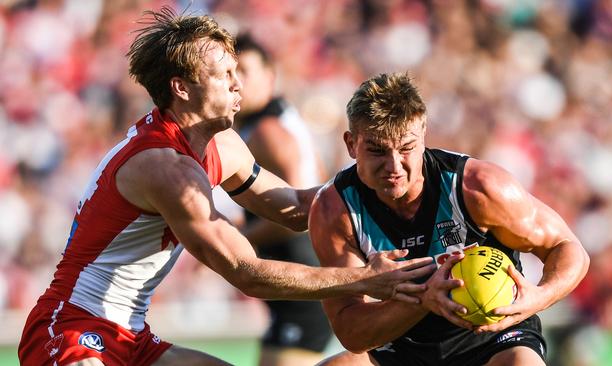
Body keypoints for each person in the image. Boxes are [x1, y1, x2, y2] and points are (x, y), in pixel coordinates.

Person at [16, 9, 435, 366]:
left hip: (132, 337)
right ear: (181, 88)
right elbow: (246, 273)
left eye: (238, 72)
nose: (238, 85)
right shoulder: (164, 168)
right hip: (73, 328)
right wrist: (364, 280)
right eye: (224, 75)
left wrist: (377, 173)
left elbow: (292, 209)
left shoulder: (222, 143)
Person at [308, 73, 590, 366]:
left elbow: (569, 248)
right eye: (377, 150)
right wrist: (425, 298)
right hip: (402, 347)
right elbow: (352, 333)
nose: (394, 166)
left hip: (493, 341)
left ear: (423, 135)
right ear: (351, 144)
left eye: (406, 148)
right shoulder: (335, 210)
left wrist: (539, 297)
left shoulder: (478, 187)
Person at [233, 34, 335, 366]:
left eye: (245, 72)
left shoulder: (267, 131)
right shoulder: (276, 122)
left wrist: (237, 242)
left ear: (270, 76)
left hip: (303, 288)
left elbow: (302, 216)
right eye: (229, 74)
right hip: (298, 287)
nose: (236, 83)